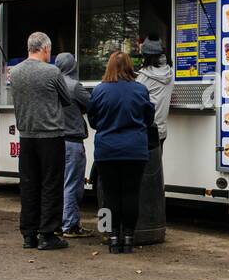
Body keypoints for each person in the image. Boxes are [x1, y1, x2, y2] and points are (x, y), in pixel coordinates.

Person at [87, 50, 153, 254]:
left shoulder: (99, 90)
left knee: (110, 194)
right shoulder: (140, 90)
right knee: (132, 194)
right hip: (135, 150)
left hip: (107, 150)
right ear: (130, 67)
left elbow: (93, 119)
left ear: (109, 67)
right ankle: (129, 238)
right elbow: (148, 118)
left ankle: (113, 237)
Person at [11, 32, 71, 251]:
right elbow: (66, 99)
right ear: (45, 49)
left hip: (26, 135)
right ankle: (48, 234)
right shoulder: (52, 72)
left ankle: (28, 234)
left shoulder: (15, 73)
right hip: (51, 136)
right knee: (51, 184)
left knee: (28, 184)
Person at [53, 52, 92, 238]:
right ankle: (70, 225)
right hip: (73, 141)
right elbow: (92, 104)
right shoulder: (74, 86)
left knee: (57, 184)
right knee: (72, 185)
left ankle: (57, 223)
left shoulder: (51, 84)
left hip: (55, 140)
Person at [137, 35, 173, 147]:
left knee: (145, 164)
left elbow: (134, 101)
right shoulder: (169, 72)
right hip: (161, 130)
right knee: (157, 163)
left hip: (146, 130)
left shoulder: (144, 77)